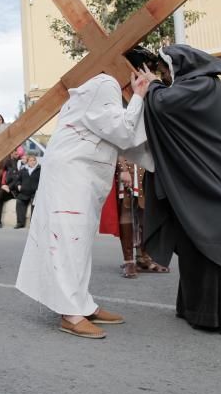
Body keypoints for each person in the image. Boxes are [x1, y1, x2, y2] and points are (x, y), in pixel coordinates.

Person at [15, 62, 153, 339]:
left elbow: (120, 134)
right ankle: (71, 314)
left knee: (79, 242)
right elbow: (123, 131)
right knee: (69, 241)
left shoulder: (103, 86)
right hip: (71, 175)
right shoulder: (105, 85)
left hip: (81, 177)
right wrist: (139, 95)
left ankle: (81, 303)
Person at [139, 44, 221, 335]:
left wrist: (149, 86)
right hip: (199, 180)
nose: (163, 76)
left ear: (181, 65)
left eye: (165, 70)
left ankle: (213, 314)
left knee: (211, 244)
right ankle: (192, 306)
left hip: (213, 180)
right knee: (192, 242)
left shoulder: (202, 85)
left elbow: (163, 104)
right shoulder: (198, 84)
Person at [0, 147, 23, 228]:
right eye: (14, 152)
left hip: (15, 190)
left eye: (17, 152)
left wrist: (8, 187)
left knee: (1, 194)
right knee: (0, 196)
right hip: (7, 189)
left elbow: (17, 178)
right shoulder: (8, 163)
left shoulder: (20, 163)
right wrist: (3, 186)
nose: (16, 153)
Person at [12, 154, 41, 228]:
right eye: (30, 160)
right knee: (19, 202)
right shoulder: (23, 170)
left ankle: (33, 224)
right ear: (27, 162)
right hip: (24, 192)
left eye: (34, 160)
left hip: (35, 193)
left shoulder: (40, 170)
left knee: (35, 205)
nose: (33, 162)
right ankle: (20, 223)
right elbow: (17, 180)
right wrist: (18, 185)